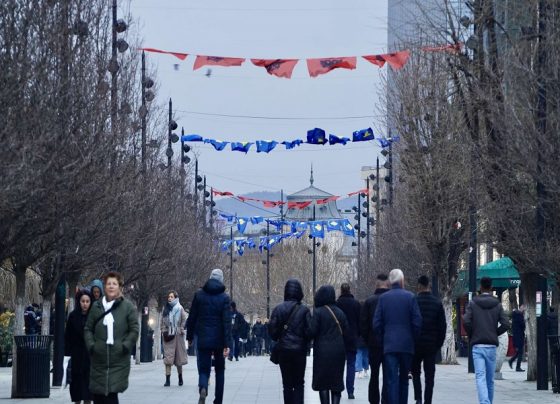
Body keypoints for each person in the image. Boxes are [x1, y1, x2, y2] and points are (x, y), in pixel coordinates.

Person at [84, 272, 139, 404]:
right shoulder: (96, 307)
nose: (111, 286)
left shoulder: (127, 307)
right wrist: (92, 346)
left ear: (120, 286)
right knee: (98, 396)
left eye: (114, 283)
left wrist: (125, 345)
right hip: (99, 360)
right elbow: (88, 329)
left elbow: (134, 329)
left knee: (111, 396)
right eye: (109, 283)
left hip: (118, 361)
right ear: (104, 286)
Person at [373, 269, 422, 404]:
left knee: (391, 380)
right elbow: (417, 322)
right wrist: (413, 339)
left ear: (390, 282)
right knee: (404, 380)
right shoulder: (410, 297)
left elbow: (376, 323)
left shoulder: (383, 298)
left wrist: (383, 338)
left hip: (389, 345)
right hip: (406, 345)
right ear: (402, 280)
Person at [186, 269, 231, 404]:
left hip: (203, 337)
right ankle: (218, 400)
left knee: (204, 368)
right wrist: (227, 344)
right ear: (221, 280)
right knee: (220, 371)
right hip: (219, 339)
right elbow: (226, 322)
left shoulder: (199, 295)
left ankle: (203, 388)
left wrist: (190, 337)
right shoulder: (224, 298)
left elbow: (192, 317)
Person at [463, 277, 510, 404]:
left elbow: (466, 320)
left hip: (477, 345)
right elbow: (506, 324)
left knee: (480, 377)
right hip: (491, 346)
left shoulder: (473, 303)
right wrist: (495, 333)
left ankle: (485, 402)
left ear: (480, 287)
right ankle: (488, 401)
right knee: (490, 379)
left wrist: (473, 333)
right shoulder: (497, 304)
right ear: (491, 288)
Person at [268, 279, 311, 404]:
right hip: (299, 350)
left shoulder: (278, 309)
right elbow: (309, 331)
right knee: (299, 383)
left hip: (284, 350)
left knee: (287, 384)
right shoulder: (304, 310)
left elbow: (272, 332)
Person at [307, 285, 349, 404]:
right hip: (338, 351)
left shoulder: (318, 312)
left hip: (322, 352)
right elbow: (347, 332)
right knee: (336, 382)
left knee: (323, 383)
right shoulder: (340, 312)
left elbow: (312, 331)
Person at [411, 275, 446, 404]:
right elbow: (442, 326)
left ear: (419, 286)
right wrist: (438, 344)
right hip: (431, 345)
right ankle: (428, 400)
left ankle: (418, 398)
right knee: (429, 375)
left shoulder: (413, 301)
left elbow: (410, 323)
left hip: (416, 343)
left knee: (415, 372)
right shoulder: (437, 303)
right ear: (429, 286)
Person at [360, 273, 390, 404]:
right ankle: (385, 400)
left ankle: (374, 400)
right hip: (390, 344)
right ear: (387, 283)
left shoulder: (369, 301)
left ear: (376, 284)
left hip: (374, 344)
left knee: (374, 375)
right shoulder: (391, 300)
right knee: (388, 375)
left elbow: (364, 324)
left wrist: (368, 340)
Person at [65, 289, 94, 404]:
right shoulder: (73, 316)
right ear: (79, 302)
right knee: (76, 387)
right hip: (76, 356)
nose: (85, 304)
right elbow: (68, 337)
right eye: (83, 301)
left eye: (87, 301)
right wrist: (67, 356)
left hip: (90, 356)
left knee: (88, 389)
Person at [336, 283, 361, 399]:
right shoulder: (356, 304)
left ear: (341, 291)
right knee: (351, 364)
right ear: (350, 290)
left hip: (339, 338)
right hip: (352, 338)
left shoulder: (337, 304)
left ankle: (338, 389)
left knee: (339, 365)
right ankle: (350, 391)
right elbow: (360, 321)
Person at [161, 290, 188, 386]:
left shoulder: (180, 308)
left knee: (178, 359)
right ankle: (167, 379)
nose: (169, 298)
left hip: (178, 337)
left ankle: (180, 377)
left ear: (175, 297)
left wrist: (181, 328)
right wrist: (164, 330)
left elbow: (184, 319)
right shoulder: (166, 309)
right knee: (168, 359)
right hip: (168, 336)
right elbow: (163, 322)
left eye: (171, 297)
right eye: (168, 297)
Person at [508, 304, 525, 372]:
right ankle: (518, 367)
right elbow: (522, 325)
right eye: (524, 307)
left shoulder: (515, 315)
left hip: (516, 335)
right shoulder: (519, 315)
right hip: (519, 336)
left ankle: (511, 361)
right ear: (522, 307)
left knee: (519, 352)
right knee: (520, 352)